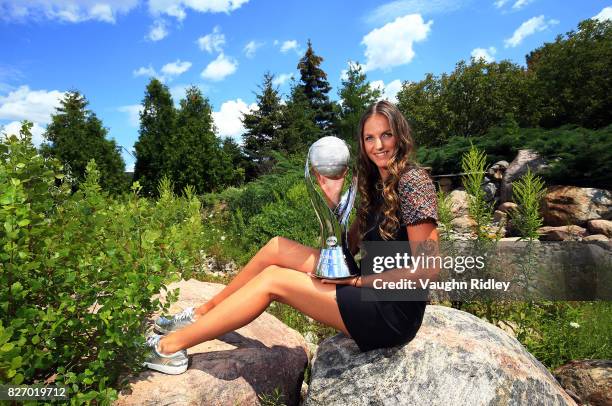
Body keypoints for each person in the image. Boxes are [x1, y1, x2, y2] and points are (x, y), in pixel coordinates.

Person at [143, 100, 439, 375]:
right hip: (367, 285)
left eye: (386, 135)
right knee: (278, 248)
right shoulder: (373, 183)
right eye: (369, 138)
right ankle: (204, 312)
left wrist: (356, 282)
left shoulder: (413, 182)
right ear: (362, 143)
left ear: (399, 135)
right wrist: (333, 205)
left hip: (390, 311)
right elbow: (344, 250)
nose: (378, 145)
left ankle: (166, 348)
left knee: (274, 280)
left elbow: (428, 268)